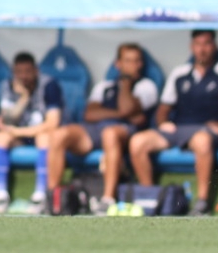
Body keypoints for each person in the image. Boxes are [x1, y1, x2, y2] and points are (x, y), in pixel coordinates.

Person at [128, 30, 218, 216]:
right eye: (198, 44)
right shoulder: (180, 73)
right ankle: (150, 198)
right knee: (137, 141)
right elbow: (163, 108)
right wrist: (163, 122)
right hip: (178, 129)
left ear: (214, 46)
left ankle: (202, 202)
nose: (202, 49)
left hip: (206, 130)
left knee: (201, 141)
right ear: (191, 47)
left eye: (206, 44)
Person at [39, 43, 157, 213]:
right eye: (128, 60)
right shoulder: (104, 86)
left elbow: (127, 107)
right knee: (59, 135)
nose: (134, 65)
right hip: (96, 129)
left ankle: (108, 199)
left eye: (137, 61)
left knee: (110, 134)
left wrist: (125, 85)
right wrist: (121, 113)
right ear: (118, 64)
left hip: (126, 132)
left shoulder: (146, 86)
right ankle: (53, 198)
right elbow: (89, 114)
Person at [0, 52, 64, 214]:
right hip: (19, 135)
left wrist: (20, 131)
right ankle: (1, 195)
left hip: (40, 134)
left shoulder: (49, 85)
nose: (23, 76)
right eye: (19, 72)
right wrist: (23, 97)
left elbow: (53, 123)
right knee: (0, 137)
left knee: (44, 138)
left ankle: (40, 195)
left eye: (28, 72)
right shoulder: (9, 85)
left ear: (36, 71)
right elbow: (6, 121)